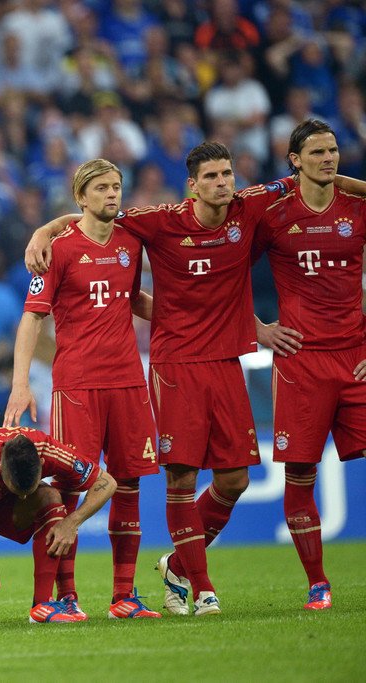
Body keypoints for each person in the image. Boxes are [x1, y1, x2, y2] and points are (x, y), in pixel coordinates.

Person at [26, 142, 300, 617]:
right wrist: (42, 230)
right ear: (192, 185)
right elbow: (88, 223)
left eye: (226, 174)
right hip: (143, 371)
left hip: (198, 365)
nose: (221, 182)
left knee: (216, 479)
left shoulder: (244, 208)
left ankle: (150, 580)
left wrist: (251, 326)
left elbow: (312, 177)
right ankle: (81, 595)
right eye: (210, 176)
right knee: (129, 479)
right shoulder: (150, 223)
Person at [4, 159, 161, 620]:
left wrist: (187, 315)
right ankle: (66, 595)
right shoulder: (59, 249)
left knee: (128, 483)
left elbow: (134, 300)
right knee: (71, 484)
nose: (113, 194)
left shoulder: (131, 242)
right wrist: (20, 384)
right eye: (102, 188)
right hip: (77, 385)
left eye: (117, 186)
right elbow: (32, 316)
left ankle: (124, 595)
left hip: (128, 381)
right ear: (81, 197)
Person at [252, 119, 366, 610]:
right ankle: (318, 583)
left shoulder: (356, 208)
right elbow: (222, 275)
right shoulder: (274, 216)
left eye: (333, 150)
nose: (329, 158)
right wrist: (259, 329)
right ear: (294, 160)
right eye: (317, 152)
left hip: (357, 358)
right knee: (300, 474)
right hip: (301, 361)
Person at [0, 427, 117, 626]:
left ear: (41, 463)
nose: (24, 497)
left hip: (0, 502)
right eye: (18, 490)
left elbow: (107, 482)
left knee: (49, 496)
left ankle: (42, 604)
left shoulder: (47, 449)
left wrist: (72, 522)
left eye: (27, 490)